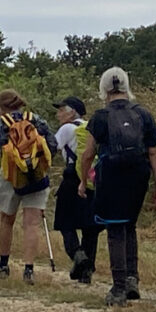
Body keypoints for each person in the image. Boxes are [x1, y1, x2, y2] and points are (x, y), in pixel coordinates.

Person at [79, 67, 156, 307]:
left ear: (104, 89)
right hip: (138, 175)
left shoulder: (100, 117)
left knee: (115, 228)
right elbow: (154, 151)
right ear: (126, 86)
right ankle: (132, 278)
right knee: (130, 225)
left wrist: (83, 182)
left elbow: (87, 154)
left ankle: (118, 288)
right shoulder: (144, 114)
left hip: (111, 175)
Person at [0, 89, 57, 285]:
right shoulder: (35, 119)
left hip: (10, 176)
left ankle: (3, 264)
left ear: (1, 106)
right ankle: (29, 269)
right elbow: (53, 145)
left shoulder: (1, 124)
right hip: (37, 177)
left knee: (7, 220)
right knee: (32, 223)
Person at [52, 96, 102, 284]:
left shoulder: (67, 128)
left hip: (72, 179)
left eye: (61, 110)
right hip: (91, 179)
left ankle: (78, 255)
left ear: (72, 111)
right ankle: (87, 271)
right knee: (90, 227)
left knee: (66, 223)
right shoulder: (91, 127)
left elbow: (52, 148)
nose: (58, 114)